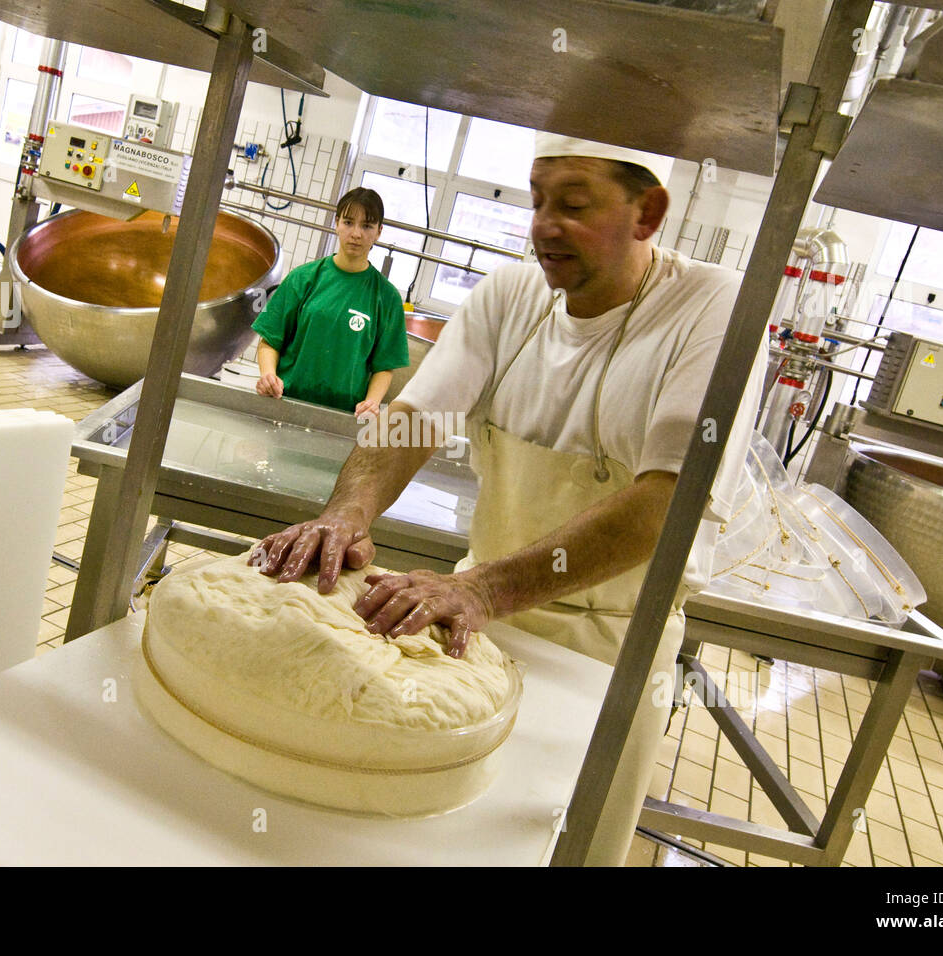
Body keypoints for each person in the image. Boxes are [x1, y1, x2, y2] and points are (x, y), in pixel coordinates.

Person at [250, 133, 761, 864]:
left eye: (574, 205)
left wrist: (485, 588)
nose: (545, 224)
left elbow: (668, 501)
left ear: (647, 213)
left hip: (612, 649)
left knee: (559, 846)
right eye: (538, 199)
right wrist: (348, 512)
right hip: (472, 630)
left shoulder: (711, 309)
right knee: (450, 837)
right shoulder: (511, 295)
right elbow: (414, 419)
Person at [253, 187, 409, 417]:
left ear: (378, 232)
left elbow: (384, 366)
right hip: (285, 405)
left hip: (343, 417)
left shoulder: (386, 297)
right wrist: (268, 375)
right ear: (336, 223)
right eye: (348, 222)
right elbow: (269, 341)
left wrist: (372, 402)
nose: (356, 233)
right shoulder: (304, 278)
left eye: (367, 226)